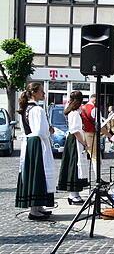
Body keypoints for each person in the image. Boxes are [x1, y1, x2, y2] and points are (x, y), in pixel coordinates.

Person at [15, 83, 56, 220]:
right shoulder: (37, 110)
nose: (43, 94)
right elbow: (39, 130)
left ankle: (38, 206)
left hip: (30, 143)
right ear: (34, 93)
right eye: (42, 92)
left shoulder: (25, 108)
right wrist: (49, 131)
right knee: (38, 173)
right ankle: (34, 210)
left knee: (36, 173)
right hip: (37, 143)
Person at [57, 90, 89, 205]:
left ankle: (75, 193)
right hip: (75, 141)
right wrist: (84, 143)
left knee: (75, 165)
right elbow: (75, 131)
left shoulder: (73, 111)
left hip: (74, 140)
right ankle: (73, 194)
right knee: (74, 165)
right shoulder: (74, 113)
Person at [80, 93, 98, 171]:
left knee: (83, 156)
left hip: (82, 133)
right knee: (95, 157)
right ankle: (97, 176)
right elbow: (99, 123)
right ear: (95, 100)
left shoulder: (81, 108)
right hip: (91, 133)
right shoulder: (94, 108)